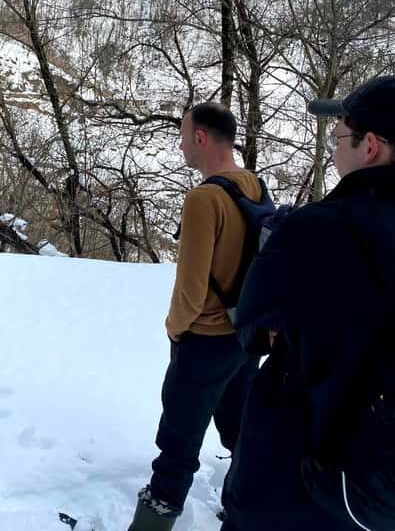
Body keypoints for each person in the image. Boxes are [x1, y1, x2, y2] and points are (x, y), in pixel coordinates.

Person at [221, 75, 395, 530]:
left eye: (340, 136)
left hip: (293, 474)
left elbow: (251, 325)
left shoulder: (313, 229)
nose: (333, 148)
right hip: (389, 475)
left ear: (370, 146)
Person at [129, 103, 261, 531]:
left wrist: (176, 330)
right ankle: (244, 512)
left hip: (204, 339)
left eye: (185, 136)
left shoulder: (204, 198)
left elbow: (191, 286)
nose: (182, 144)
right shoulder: (254, 186)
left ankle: (152, 524)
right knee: (240, 430)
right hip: (245, 336)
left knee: (177, 442)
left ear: (201, 138)